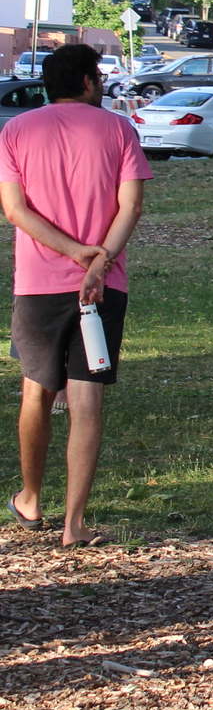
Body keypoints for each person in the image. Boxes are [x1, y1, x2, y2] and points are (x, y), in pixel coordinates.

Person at [0, 44, 149, 547]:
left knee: (36, 393)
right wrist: (99, 259)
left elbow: (15, 210)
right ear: (88, 81)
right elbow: (131, 206)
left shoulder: (16, 130)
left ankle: (31, 499)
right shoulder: (119, 129)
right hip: (103, 287)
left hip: (38, 284)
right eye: (99, 76)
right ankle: (74, 524)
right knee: (87, 401)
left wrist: (74, 252)